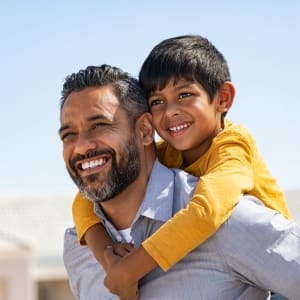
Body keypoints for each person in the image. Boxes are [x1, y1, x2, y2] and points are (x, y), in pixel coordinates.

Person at [71, 35, 292, 295]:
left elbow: (206, 213)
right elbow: (84, 201)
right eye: (157, 102)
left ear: (223, 98)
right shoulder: (169, 152)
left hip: (275, 276)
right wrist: (107, 256)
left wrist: (129, 270)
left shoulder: (233, 149)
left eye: (184, 95)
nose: (170, 111)